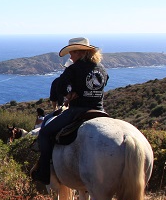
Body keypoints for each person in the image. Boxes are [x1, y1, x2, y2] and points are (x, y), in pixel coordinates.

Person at [31, 37, 109, 185]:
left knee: (46, 133)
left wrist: (68, 94)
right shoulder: (102, 69)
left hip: (78, 110)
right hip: (100, 110)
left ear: (79, 52)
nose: (70, 57)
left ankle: (44, 173)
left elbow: (60, 86)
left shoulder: (74, 68)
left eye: (72, 53)